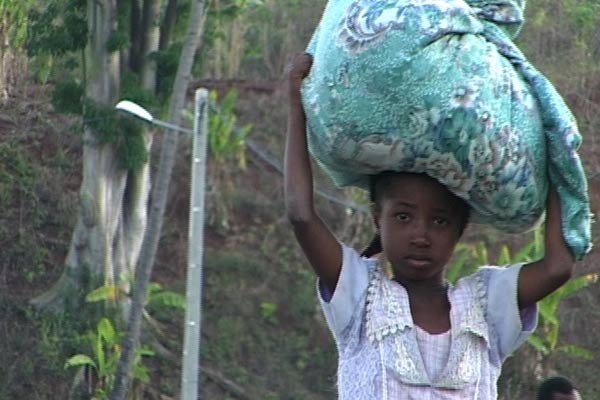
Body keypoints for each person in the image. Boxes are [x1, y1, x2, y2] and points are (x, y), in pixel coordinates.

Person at [284, 52, 577, 399]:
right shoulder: (361, 296)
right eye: (403, 217)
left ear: (460, 229)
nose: (420, 236)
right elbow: (301, 215)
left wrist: (556, 150)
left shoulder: (486, 304)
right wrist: (295, 106)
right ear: (379, 216)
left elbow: (558, 267)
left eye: (439, 221)